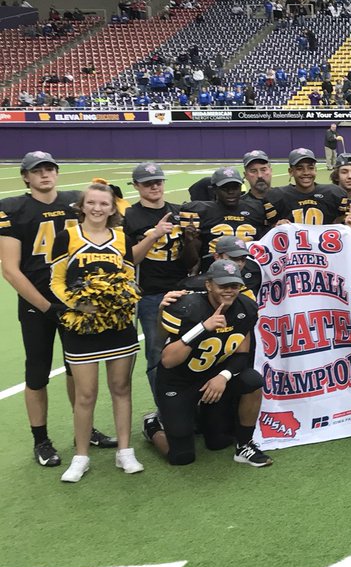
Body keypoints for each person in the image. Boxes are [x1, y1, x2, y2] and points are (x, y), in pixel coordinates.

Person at [0, 151, 115, 468]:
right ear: (26, 176)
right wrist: (48, 307)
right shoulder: (14, 209)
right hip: (38, 304)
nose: (44, 174)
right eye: (37, 170)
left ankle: (86, 429)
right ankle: (41, 440)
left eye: (50, 168)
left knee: (78, 369)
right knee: (37, 372)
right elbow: (10, 269)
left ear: (57, 172)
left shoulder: (75, 202)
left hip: (76, 301)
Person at [49, 183, 142, 482]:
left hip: (118, 325)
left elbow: (128, 277)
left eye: (104, 204)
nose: (98, 208)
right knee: (85, 394)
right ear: (82, 205)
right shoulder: (67, 237)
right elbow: (56, 281)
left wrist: (119, 300)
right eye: (92, 203)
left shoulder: (122, 239)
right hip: (82, 325)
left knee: (121, 388)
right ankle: (81, 456)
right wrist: (79, 304)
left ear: (113, 208)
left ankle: (125, 452)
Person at [147, 260, 271, 468]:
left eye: (234, 285)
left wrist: (223, 376)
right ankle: (152, 426)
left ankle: (244, 445)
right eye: (223, 285)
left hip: (213, 378)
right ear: (209, 285)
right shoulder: (187, 307)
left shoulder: (246, 307)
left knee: (251, 382)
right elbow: (168, 361)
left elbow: (242, 354)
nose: (229, 291)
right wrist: (203, 328)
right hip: (179, 382)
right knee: (181, 457)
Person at [124, 162, 195, 435]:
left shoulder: (179, 211)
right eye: (147, 183)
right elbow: (128, 260)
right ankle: (165, 411)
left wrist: (190, 240)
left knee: (188, 351)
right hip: (151, 295)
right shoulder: (130, 216)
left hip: (182, 290)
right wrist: (153, 234)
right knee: (157, 357)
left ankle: (188, 407)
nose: (154, 186)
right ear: (137, 187)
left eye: (158, 181)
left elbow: (189, 260)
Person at [180, 165, 273, 266]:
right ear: (214, 189)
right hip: (215, 272)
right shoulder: (200, 211)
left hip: (250, 270)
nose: (231, 192)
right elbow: (190, 262)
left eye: (235, 187)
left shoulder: (258, 208)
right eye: (225, 188)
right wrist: (189, 241)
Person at [268, 148, 351, 225]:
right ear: (291, 172)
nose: (306, 172)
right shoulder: (278, 196)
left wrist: (341, 220)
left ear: (315, 170)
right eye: (300, 168)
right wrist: (277, 226)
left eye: (310, 168)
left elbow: (343, 221)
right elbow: (267, 228)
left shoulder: (334, 193)